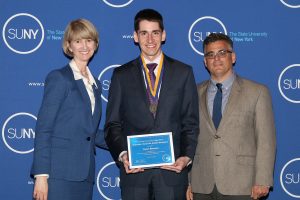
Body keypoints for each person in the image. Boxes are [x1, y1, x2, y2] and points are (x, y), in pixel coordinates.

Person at [105, 8, 199, 200]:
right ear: (135, 37)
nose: (150, 40)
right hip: (135, 176)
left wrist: (186, 157)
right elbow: (112, 124)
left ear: (163, 35)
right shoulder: (121, 75)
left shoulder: (183, 73)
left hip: (172, 174)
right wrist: (124, 155)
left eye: (155, 33)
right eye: (144, 33)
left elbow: (190, 123)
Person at [187, 33, 276, 200]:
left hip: (242, 185)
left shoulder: (257, 92)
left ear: (233, 57)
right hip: (202, 184)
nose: (217, 59)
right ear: (205, 62)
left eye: (222, 52)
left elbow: (266, 140)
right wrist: (189, 181)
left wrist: (263, 179)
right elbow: (189, 138)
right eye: (210, 54)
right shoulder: (193, 93)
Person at [31, 19, 106, 200]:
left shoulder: (96, 84)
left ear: (95, 44)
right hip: (58, 175)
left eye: (88, 40)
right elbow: (44, 128)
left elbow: (91, 132)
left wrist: (127, 145)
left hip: (85, 176)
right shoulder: (59, 78)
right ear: (69, 45)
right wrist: (41, 176)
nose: (84, 46)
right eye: (78, 41)